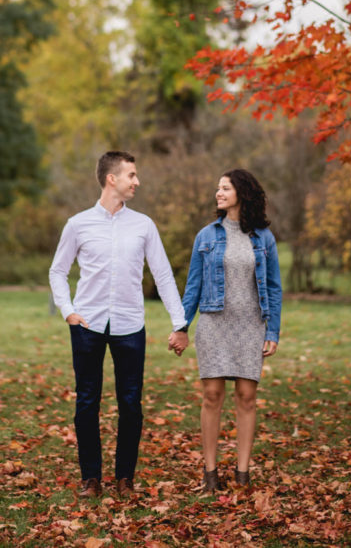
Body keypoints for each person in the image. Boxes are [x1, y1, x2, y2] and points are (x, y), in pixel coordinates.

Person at [49, 150, 189, 498]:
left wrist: (180, 323)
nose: (137, 181)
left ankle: (125, 478)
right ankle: (90, 479)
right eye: (131, 175)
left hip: (130, 326)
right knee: (86, 402)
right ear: (112, 178)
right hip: (87, 326)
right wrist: (67, 310)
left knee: (130, 404)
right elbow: (58, 271)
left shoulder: (143, 225)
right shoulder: (78, 224)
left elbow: (163, 275)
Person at [177, 168, 282, 492]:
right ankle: (210, 475)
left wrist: (272, 331)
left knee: (247, 397)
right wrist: (181, 327)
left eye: (225, 188)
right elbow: (193, 285)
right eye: (218, 188)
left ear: (242, 193)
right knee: (212, 395)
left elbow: (274, 288)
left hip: (251, 323)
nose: (218, 193)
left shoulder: (264, 238)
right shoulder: (206, 236)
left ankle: (242, 473)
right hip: (214, 322)